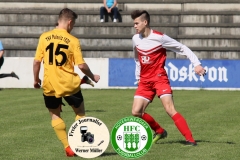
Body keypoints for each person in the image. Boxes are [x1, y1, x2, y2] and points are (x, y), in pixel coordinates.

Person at [131, 10, 207, 146]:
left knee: (169, 109)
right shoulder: (135, 39)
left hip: (159, 78)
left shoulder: (160, 38)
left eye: (136, 23)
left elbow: (182, 48)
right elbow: (137, 58)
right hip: (144, 80)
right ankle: (160, 131)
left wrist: (197, 64)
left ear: (145, 22)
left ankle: (190, 139)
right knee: (136, 112)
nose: (134, 26)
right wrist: (138, 77)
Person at [33, 8, 100, 157]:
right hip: (70, 84)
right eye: (74, 24)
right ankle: (79, 141)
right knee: (80, 113)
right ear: (70, 22)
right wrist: (93, 76)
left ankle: (68, 147)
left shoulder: (44, 37)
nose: (73, 26)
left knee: (55, 116)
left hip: (49, 84)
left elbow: (37, 61)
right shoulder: (73, 40)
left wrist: (36, 80)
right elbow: (81, 65)